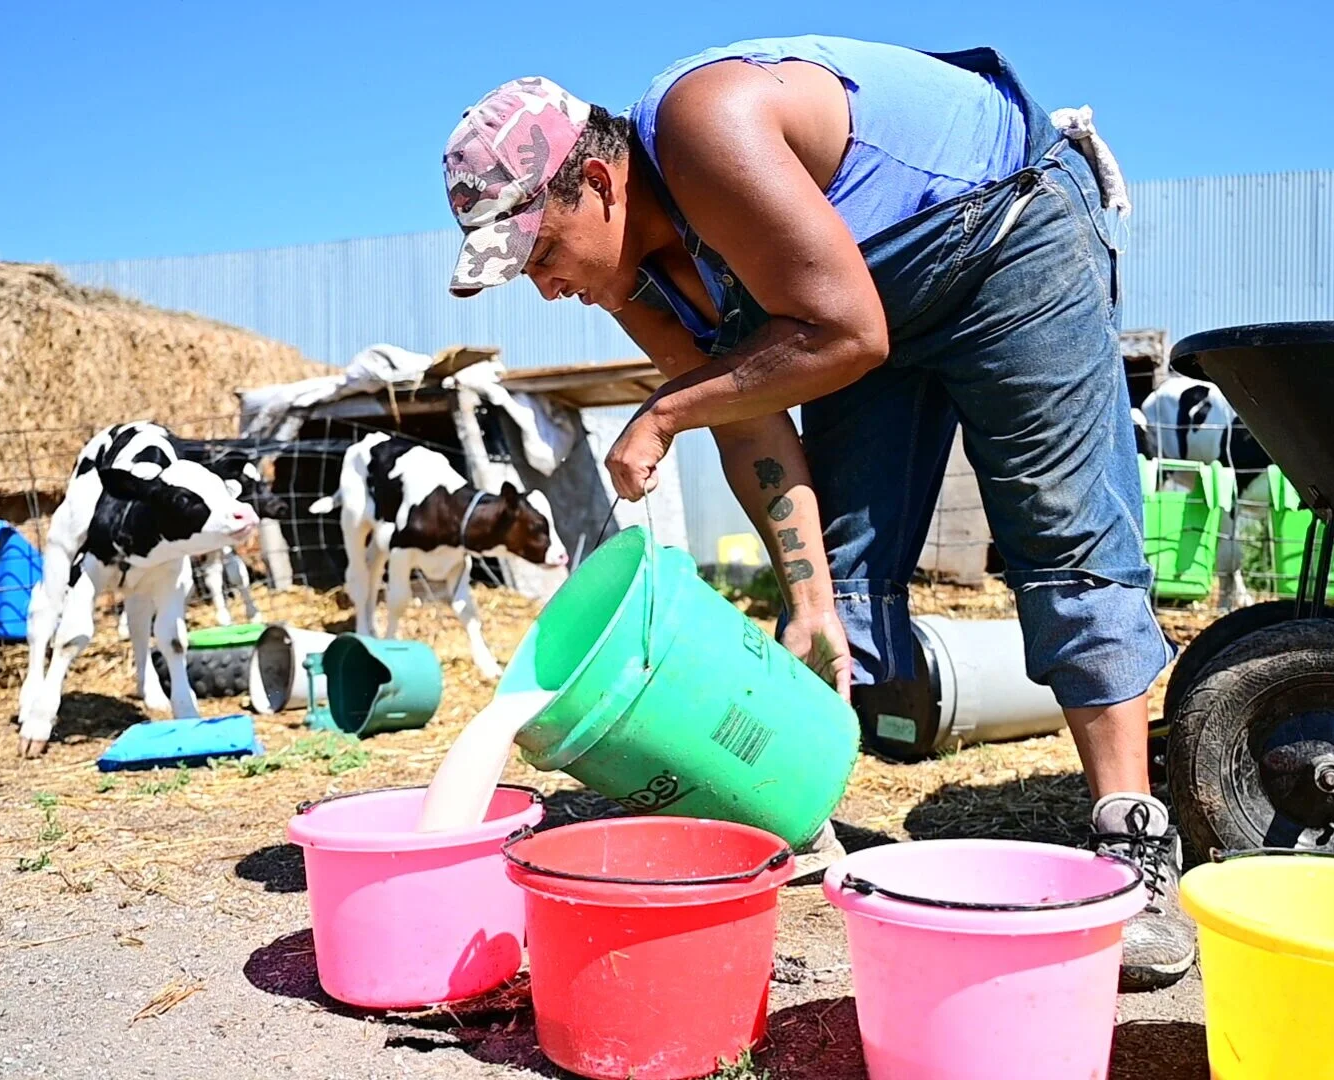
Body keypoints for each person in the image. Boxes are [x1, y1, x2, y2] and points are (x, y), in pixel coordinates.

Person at [441, 35, 1192, 990]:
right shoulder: (637, 282)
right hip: (867, 299)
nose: (546, 287)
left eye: (542, 250)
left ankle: (1132, 839)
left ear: (597, 181)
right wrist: (807, 595)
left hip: (1003, 233)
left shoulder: (703, 126)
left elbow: (844, 334)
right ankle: (797, 807)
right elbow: (746, 415)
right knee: (844, 574)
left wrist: (662, 414)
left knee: (1059, 529)